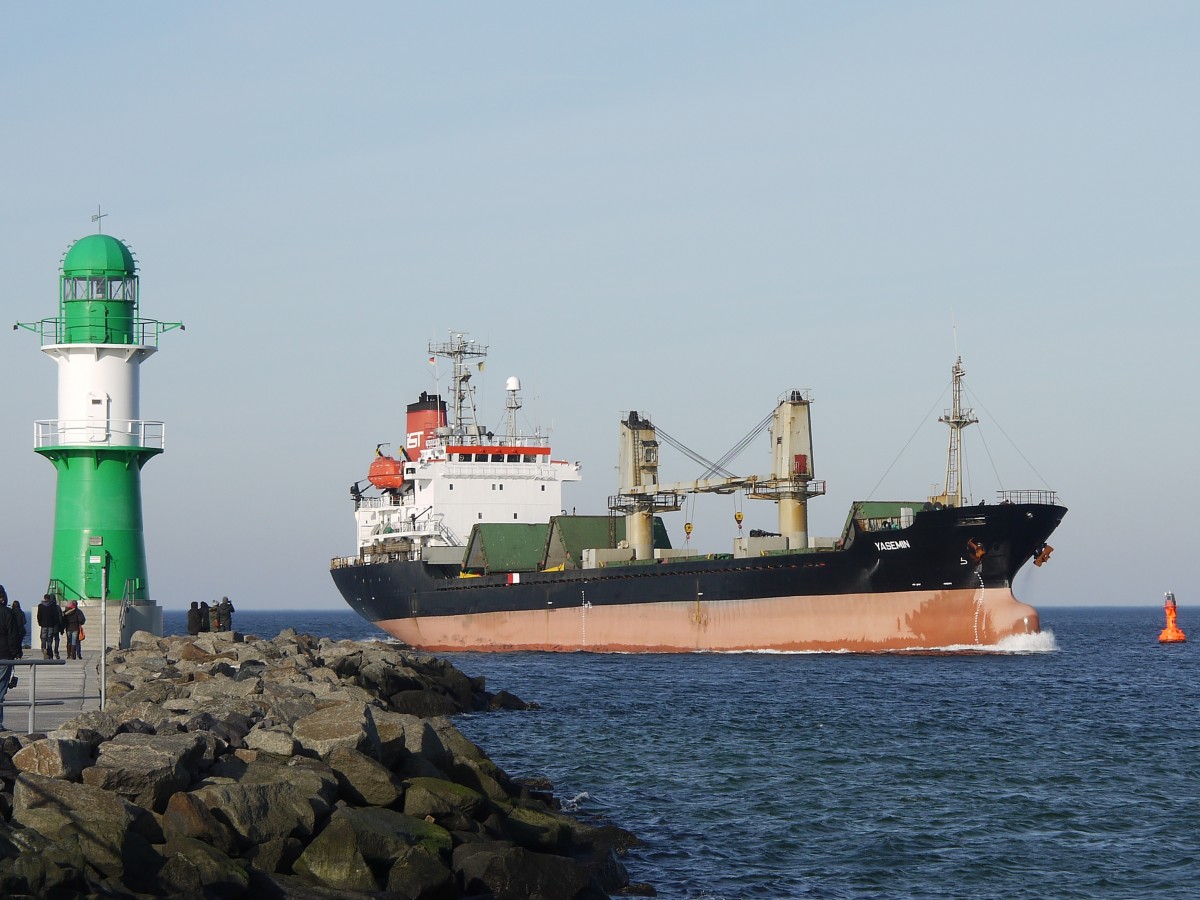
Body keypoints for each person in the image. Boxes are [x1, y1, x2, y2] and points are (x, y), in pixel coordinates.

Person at [0, 587, 21, 730]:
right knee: (1, 690)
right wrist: (16, 653)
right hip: (4, 655)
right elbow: (13, 635)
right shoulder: (7, 613)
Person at [36, 593, 63, 659]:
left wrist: (40, 623)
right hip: (51, 625)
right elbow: (56, 617)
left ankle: (44, 648)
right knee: (49, 639)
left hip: (43, 624)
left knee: (43, 638)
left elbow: (39, 615)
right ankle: (50, 653)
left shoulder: (40, 606)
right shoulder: (53, 606)